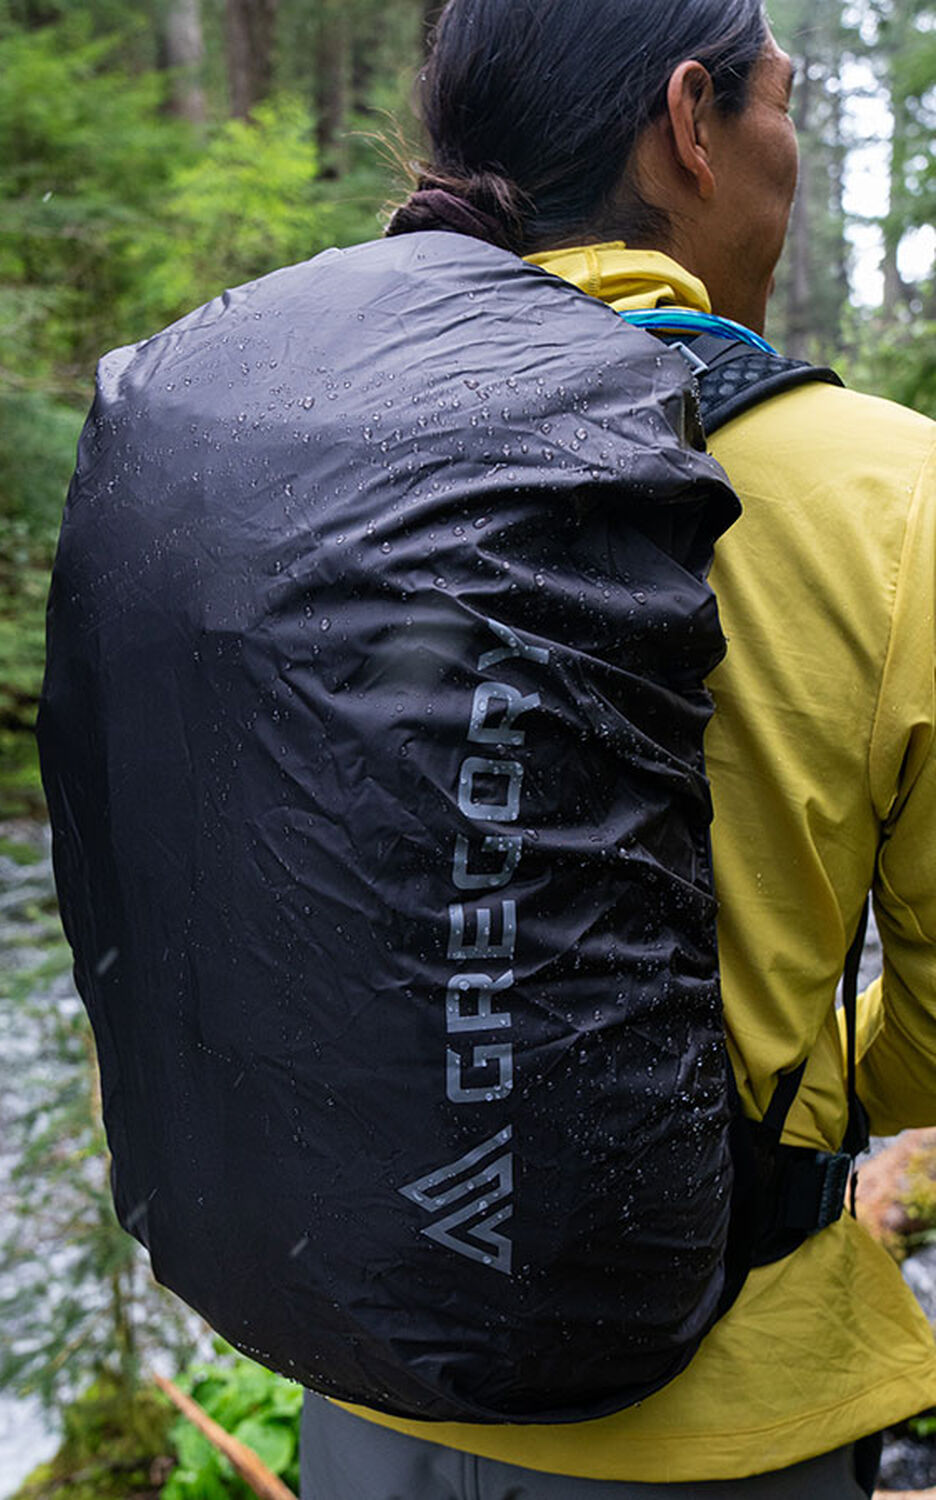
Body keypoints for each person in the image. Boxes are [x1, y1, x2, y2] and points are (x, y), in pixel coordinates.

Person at [299, 0, 936, 1495]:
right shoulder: (890, 499)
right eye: (785, 102)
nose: (793, 148)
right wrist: (801, 1105)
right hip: (715, 1405)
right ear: (691, 122)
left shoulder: (317, 452)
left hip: (361, 1372)